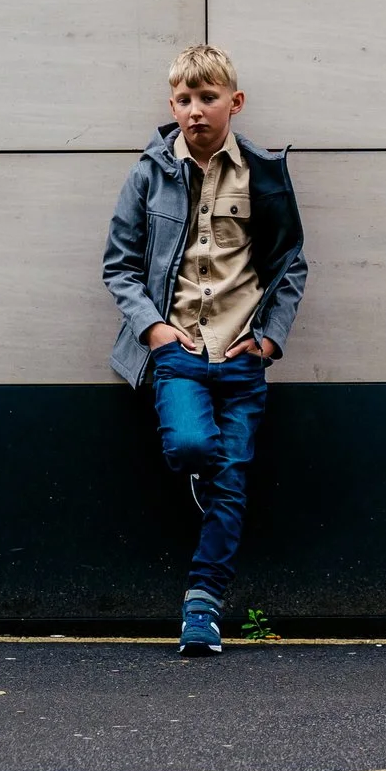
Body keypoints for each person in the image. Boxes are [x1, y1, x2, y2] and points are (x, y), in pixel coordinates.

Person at [102, 45, 307, 657]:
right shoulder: (148, 172)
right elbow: (120, 265)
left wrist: (268, 339)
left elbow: (291, 264)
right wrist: (155, 331)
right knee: (195, 447)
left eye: (208, 98)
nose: (195, 110)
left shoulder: (263, 175)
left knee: (232, 486)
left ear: (233, 103)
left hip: (242, 355)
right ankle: (205, 478)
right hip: (179, 352)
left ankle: (202, 605)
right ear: (173, 105)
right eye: (184, 100)